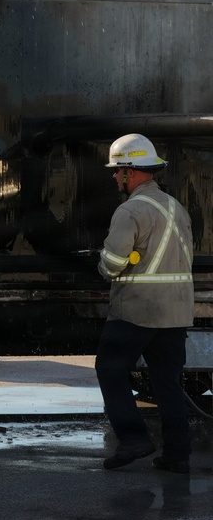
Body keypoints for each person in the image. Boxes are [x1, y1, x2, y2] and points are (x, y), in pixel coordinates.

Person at [95, 133, 194, 474]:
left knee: (109, 369)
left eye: (117, 171)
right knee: (168, 383)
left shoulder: (131, 209)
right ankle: (177, 455)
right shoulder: (175, 207)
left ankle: (134, 438)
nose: (113, 177)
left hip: (137, 309)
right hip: (176, 311)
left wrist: (103, 263)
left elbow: (112, 264)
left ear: (130, 172)